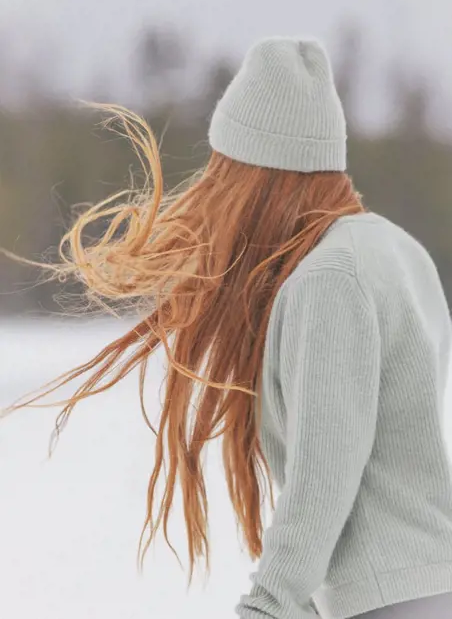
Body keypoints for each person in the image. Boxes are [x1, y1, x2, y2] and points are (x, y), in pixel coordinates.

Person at [5, 37, 452, 618]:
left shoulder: (328, 278)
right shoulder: (398, 250)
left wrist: (270, 604)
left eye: (228, 169)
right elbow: (387, 448)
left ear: (259, 177)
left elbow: (326, 471)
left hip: (387, 600)